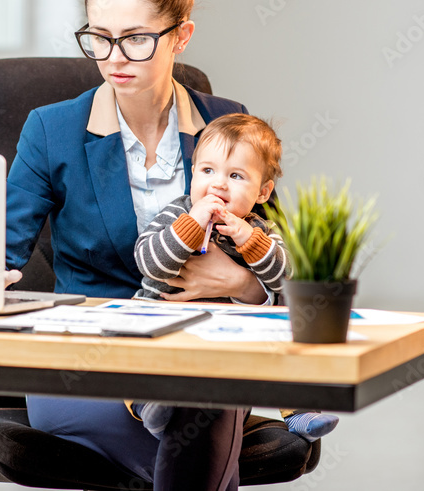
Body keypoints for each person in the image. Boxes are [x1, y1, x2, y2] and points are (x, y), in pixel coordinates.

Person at [3, 0, 270, 490]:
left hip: (200, 349)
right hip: (87, 364)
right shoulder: (51, 130)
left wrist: (238, 285)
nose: (113, 57)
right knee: (201, 418)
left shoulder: (226, 124)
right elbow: (0, 250)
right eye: (98, 38)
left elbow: (279, 260)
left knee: (200, 395)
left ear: (182, 36)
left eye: (136, 39)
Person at [131, 113, 340, 442]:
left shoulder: (259, 229)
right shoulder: (178, 213)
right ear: (193, 175)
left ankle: (300, 410)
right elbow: (149, 262)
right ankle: (153, 408)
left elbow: (289, 277)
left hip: (228, 333)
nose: (218, 184)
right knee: (137, 359)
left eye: (236, 175)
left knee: (283, 338)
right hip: (164, 320)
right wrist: (191, 224)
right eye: (208, 171)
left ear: (262, 192)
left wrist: (250, 242)